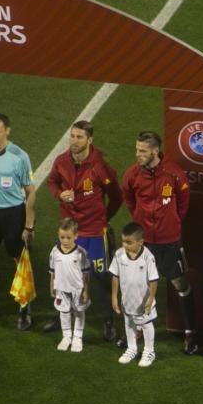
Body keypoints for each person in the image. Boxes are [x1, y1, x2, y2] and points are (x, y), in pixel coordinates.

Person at [44, 120, 124, 341]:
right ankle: (61, 315)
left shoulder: (101, 167)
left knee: (101, 276)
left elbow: (117, 197)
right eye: (72, 136)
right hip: (70, 232)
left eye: (79, 137)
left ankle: (108, 321)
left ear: (90, 140)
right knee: (63, 275)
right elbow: (52, 182)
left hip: (94, 232)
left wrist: (103, 218)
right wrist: (59, 194)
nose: (74, 141)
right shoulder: (61, 162)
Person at [121, 130, 198, 354]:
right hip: (143, 242)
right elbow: (129, 201)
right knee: (139, 284)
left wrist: (171, 222)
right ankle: (137, 330)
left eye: (142, 151)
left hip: (168, 241)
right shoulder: (132, 175)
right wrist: (141, 222)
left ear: (155, 151)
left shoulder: (174, 173)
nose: (138, 154)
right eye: (137, 150)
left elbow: (183, 204)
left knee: (179, 284)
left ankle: (190, 332)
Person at [0, 113, 36, 329]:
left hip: (13, 213)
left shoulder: (19, 156)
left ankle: (25, 308)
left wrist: (29, 225)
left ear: (7, 131)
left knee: (19, 261)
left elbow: (31, 191)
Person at [109, 222, 159, 367]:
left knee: (146, 324)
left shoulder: (148, 257)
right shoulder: (119, 255)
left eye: (129, 242)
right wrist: (114, 297)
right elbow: (115, 276)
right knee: (129, 323)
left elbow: (154, 280)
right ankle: (132, 348)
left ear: (140, 242)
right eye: (123, 241)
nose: (125, 245)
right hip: (127, 299)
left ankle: (150, 351)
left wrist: (150, 298)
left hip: (143, 301)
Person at [49, 218, 91, 352]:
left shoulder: (81, 253)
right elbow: (52, 271)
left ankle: (78, 337)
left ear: (76, 236)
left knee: (79, 311)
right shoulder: (54, 252)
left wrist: (85, 290)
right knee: (64, 312)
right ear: (58, 234)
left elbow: (85, 274)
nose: (65, 241)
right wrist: (52, 285)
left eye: (68, 237)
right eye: (62, 237)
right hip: (61, 288)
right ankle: (66, 336)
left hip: (77, 288)